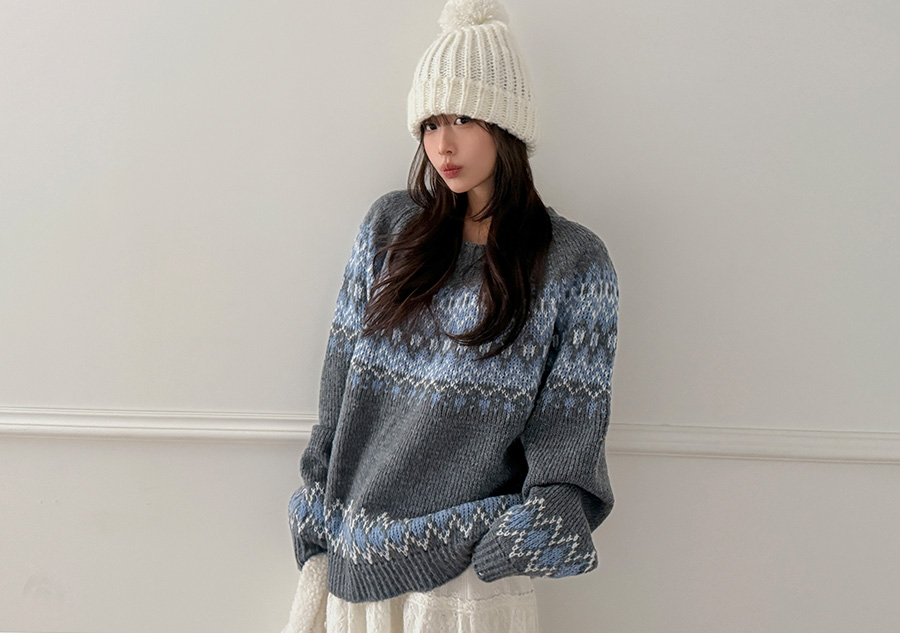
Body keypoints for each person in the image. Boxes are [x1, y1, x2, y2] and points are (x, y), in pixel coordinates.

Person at [281, 0, 619, 631]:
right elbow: (337, 389)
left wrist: (511, 543)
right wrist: (314, 510)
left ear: (506, 124)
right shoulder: (391, 228)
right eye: (431, 124)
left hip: (466, 577)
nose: (443, 144)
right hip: (353, 560)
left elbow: (570, 433)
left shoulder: (573, 260)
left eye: (463, 118)